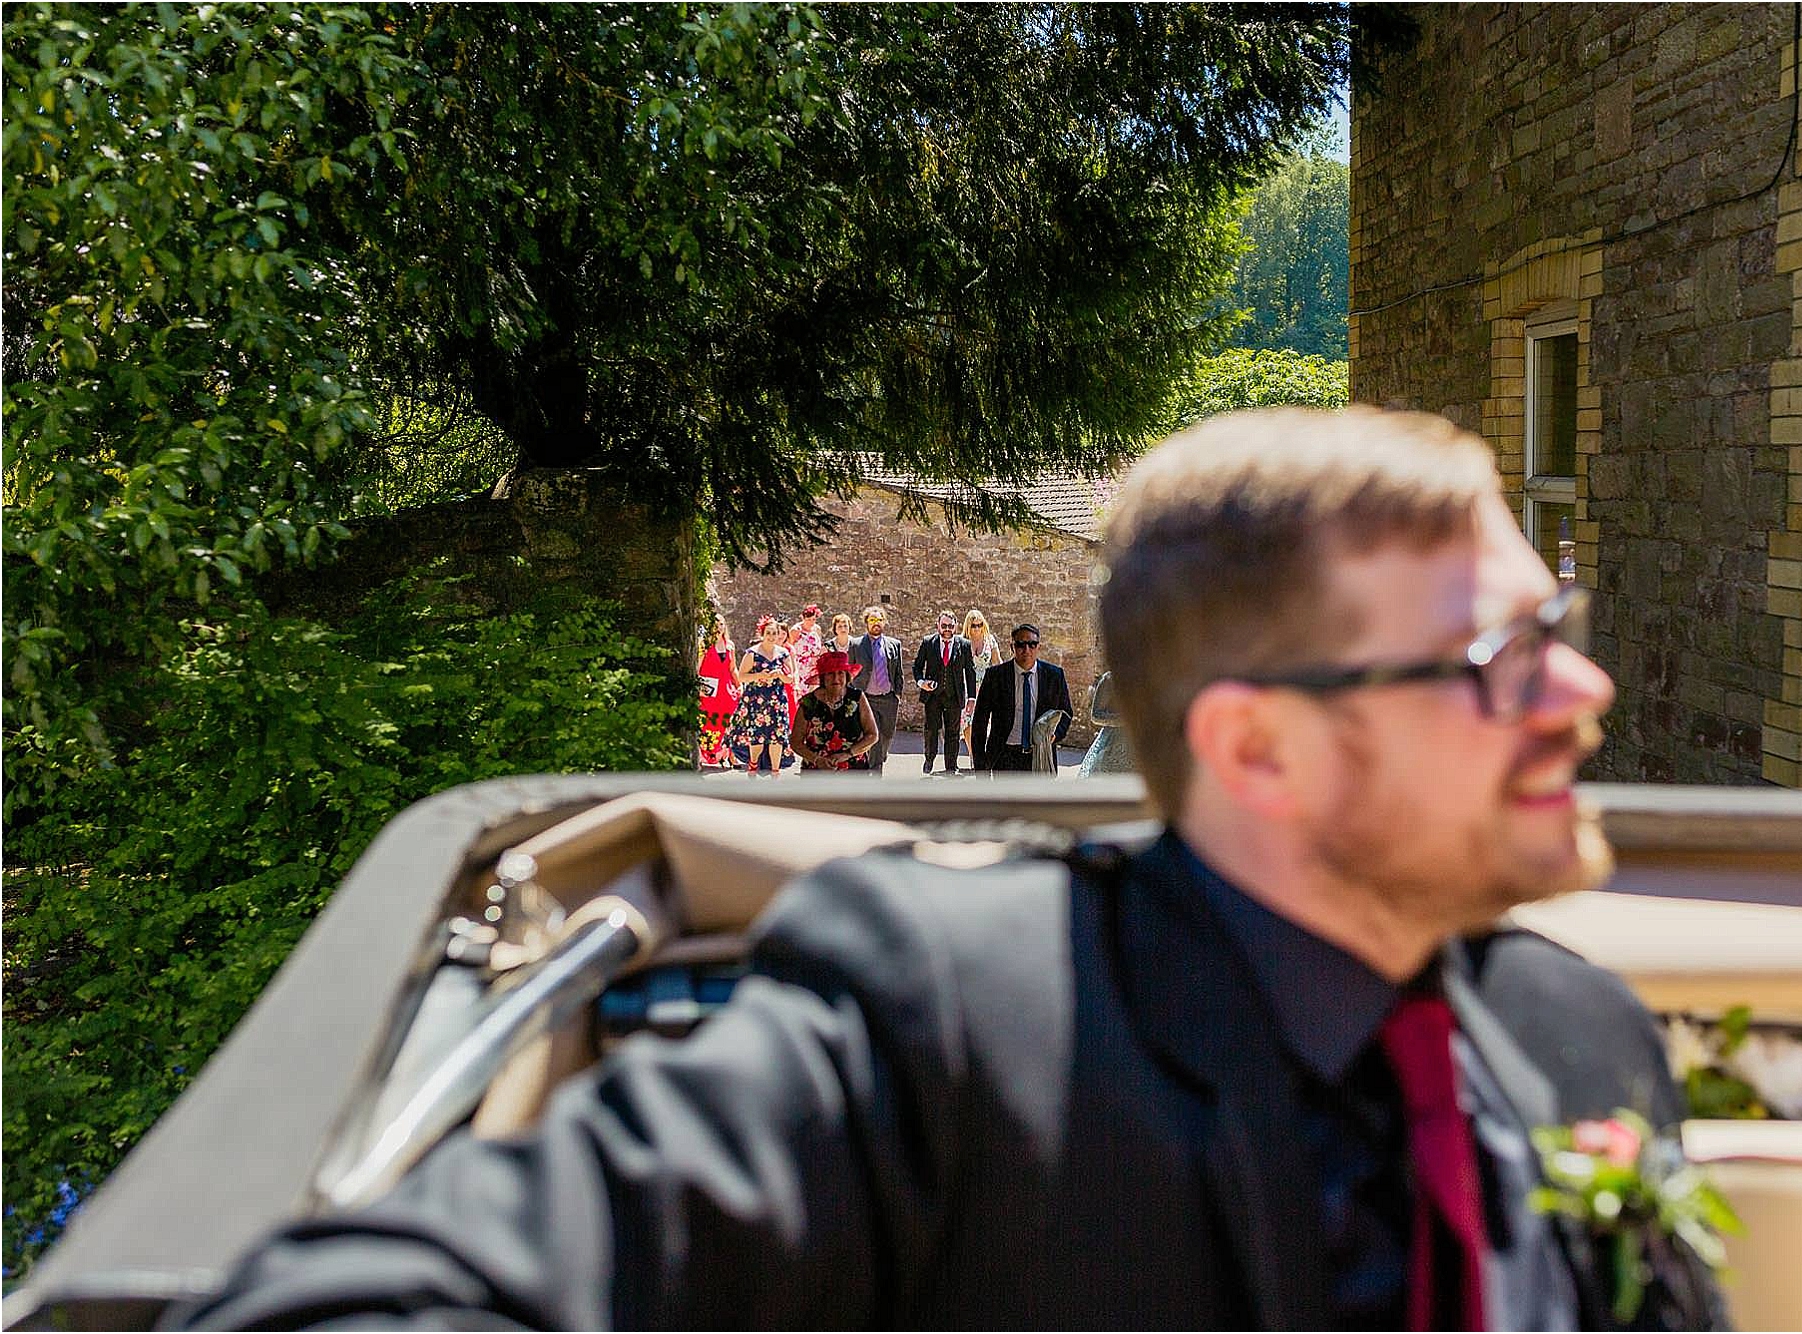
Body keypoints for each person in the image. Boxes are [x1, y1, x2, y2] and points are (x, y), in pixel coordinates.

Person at [174, 407, 1722, 1330]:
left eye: (1560, 632)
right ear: (1260, 749)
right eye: (1500, 655)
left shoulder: (1581, 1038)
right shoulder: (963, 1017)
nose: (1581, 693)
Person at [969, 622, 1073, 774]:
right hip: (1005, 757)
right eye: (1021, 645)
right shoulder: (995, 676)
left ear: (1039, 647)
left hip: (1040, 756)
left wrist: (1055, 735)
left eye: (1032, 644)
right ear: (1012, 647)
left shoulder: (1054, 676)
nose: (1026, 650)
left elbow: (1066, 712)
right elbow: (980, 722)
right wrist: (980, 767)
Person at [723, 615, 792, 776]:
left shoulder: (783, 653)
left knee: (777, 736)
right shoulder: (752, 653)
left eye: (774, 633)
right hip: (757, 700)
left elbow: (791, 677)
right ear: (762, 634)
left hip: (777, 700)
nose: (771, 637)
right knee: (757, 736)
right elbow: (742, 676)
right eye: (768, 633)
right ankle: (753, 765)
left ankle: (775, 772)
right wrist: (759, 675)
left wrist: (779, 675)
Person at [789, 650, 879, 772]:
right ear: (823, 678)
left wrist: (847, 754)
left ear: (847, 676)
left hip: (853, 771)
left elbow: (872, 735)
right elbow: (795, 741)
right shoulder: (808, 702)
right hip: (816, 772)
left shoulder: (857, 698)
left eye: (840, 673)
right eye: (830, 674)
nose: (836, 678)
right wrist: (817, 760)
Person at [912, 610, 977, 775]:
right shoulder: (928, 642)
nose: (947, 629)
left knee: (953, 732)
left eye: (950, 626)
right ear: (938, 626)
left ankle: (951, 764)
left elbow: (970, 672)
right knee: (931, 730)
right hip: (932, 696)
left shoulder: (964, 644)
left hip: (954, 695)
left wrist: (971, 698)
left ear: (955, 626)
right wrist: (922, 683)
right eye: (944, 626)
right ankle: (929, 760)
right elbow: (917, 666)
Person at [846, 604, 902, 775]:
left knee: (887, 736)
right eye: (872, 620)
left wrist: (897, 695)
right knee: (874, 736)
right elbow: (849, 673)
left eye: (879, 619)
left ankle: (879, 759)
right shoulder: (856, 644)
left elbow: (898, 672)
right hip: (866, 698)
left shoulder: (894, 644)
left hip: (888, 699)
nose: (876, 623)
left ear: (884, 622)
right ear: (866, 623)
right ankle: (874, 772)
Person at [694, 613, 741, 769]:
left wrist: (739, 684)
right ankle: (703, 755)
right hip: (709, 688)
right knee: (707, 721)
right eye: (715, 624)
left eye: (721, 624)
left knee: (726, 722)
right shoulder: (704, 644)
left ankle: (727, 754)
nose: (719, 627)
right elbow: (698, 668)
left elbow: (732, 668)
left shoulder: (730, 645)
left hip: (726, 690)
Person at [959, 608, 1004, 755]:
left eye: (980, 624)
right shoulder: (962, 642)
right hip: (968, 686)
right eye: (974, 625)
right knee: (967, 721)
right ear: (968, 626)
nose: (977, 628)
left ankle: (983, 753)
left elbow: (997, 662)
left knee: (986, 721)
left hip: (987, 685)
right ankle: (973, 755)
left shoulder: (990, 640)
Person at [787, 604, 824, 706]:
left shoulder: (816, 629)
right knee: (801, 695)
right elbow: (789, 648)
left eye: (813, 619)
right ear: (803, 618)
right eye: (808, 619)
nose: (811, 622)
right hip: (801, 666)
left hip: (814, 666)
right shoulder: (796, 630)